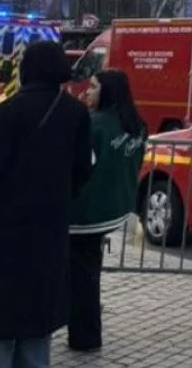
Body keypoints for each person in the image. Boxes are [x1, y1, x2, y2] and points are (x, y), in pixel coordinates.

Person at [0, 40, 92, 368]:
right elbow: (83, 169)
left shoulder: (9, 111)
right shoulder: (75, 113)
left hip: (2, 229)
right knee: (36, 320)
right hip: (48, 228)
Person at [67, 70, 147, 352]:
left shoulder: (95, 125)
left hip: (86, 213)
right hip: (115, 207)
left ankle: (84, 335)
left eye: (94, 87)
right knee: (86, 272)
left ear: (108, 91)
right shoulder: (136, 125)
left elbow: (78, 167)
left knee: (81, 276)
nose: (87, 92)